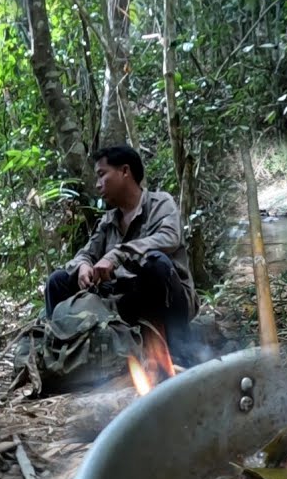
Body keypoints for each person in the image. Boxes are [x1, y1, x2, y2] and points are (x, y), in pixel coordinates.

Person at [43, 145, 196, 360]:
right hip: (121, 303)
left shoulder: (160, 203)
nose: (97, 185)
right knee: (57, 281)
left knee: (155, 262)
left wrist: (117, 254)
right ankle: (59, 355)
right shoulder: (108, 221)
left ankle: (180, 350)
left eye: (101, 174)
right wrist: (83, 265)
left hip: (162, 298)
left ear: (125, 171)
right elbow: (86, 253)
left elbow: (169, 238)